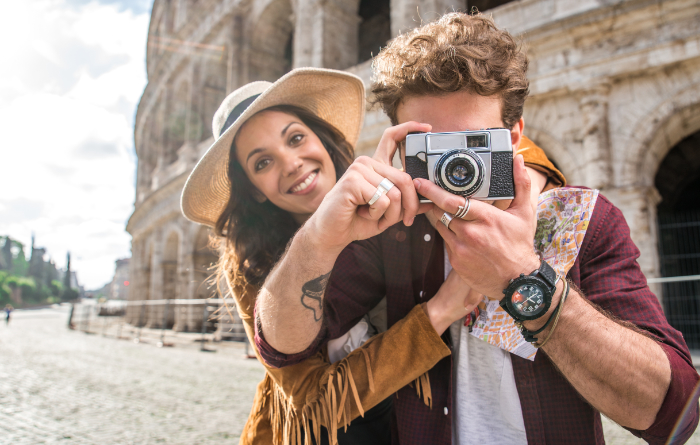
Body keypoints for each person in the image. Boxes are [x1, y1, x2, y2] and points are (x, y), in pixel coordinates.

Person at [254, 13, 700, 445]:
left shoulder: (580, 220)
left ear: (514, 135)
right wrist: (319, 238)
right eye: (432, 148)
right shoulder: (391, 231)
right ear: (401, 146)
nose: (457, 166)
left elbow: (672, 415)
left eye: (473, 144)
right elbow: (284, 350)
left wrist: (524, 276)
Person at [181, 68, 558, 444]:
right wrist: (441, 310)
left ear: (323, 140)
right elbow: (315, 403)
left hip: (415, 420)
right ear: (255, 190)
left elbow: (506, 146)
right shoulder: (250, 263)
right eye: (262, 162)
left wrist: (526, 182)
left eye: (296, 138)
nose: (291, 163)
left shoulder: (386, 189)